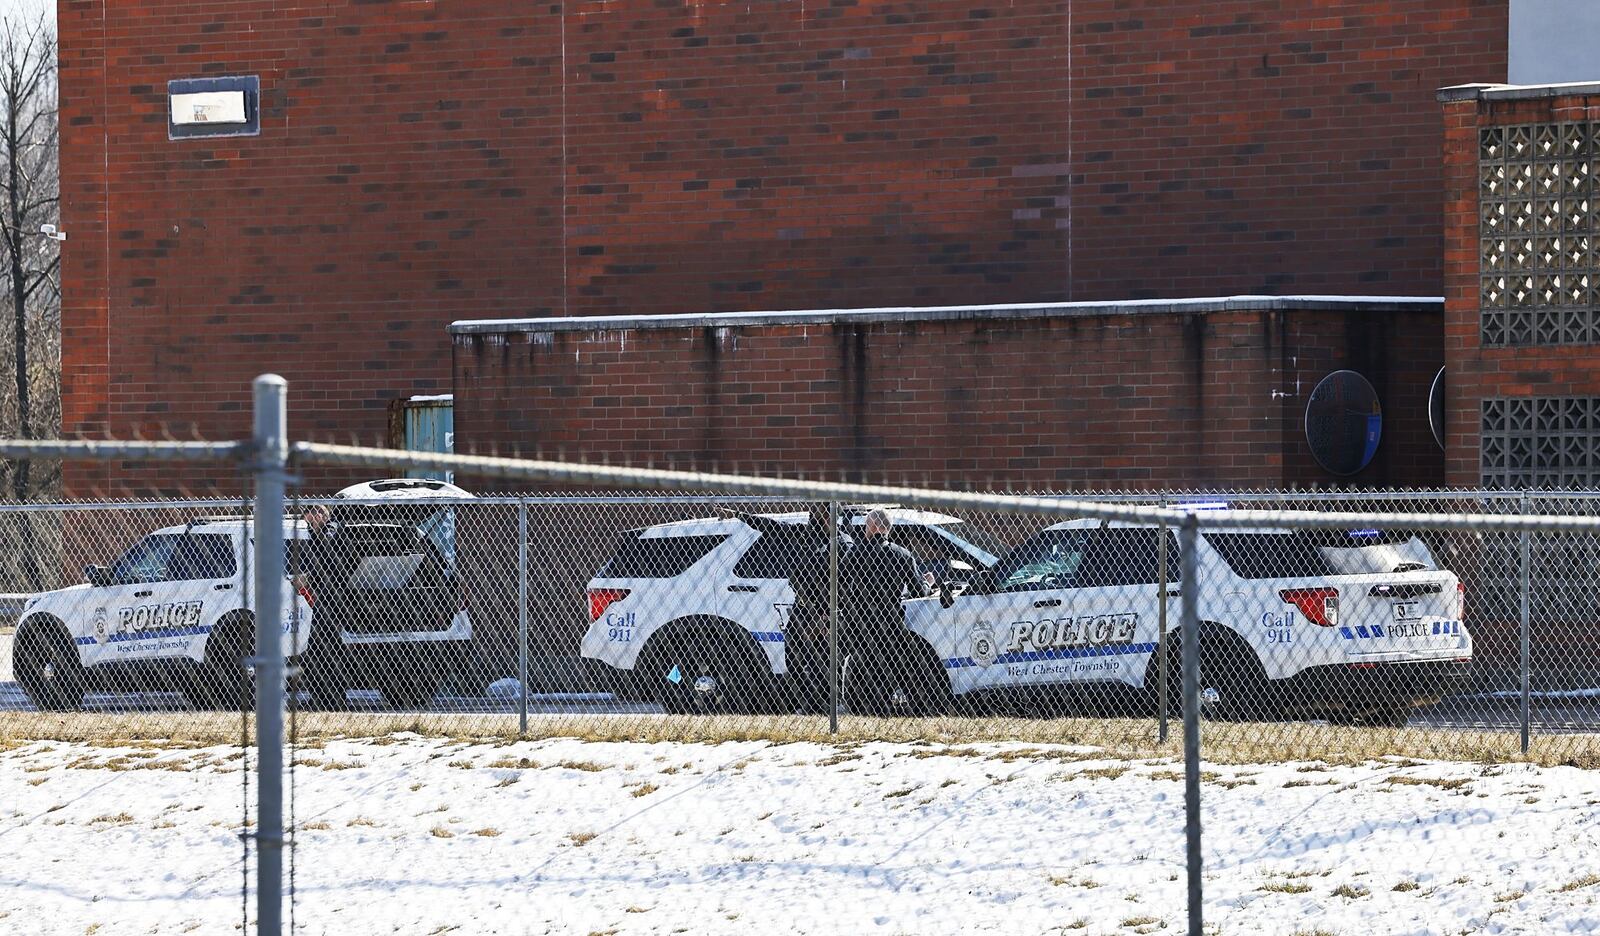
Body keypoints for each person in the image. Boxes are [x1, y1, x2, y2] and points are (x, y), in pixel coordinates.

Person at [837, 508, 935, 714]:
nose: (864, 530)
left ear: (873, 527)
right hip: (891, 620)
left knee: (865, 664)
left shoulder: (855, 553)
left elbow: (840, 582)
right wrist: (928, 583)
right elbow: (918, 589)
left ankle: (867, 706)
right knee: (895, 662)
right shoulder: (902, 555)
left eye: (866, 526)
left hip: (861, 621)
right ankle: (899, 704)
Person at [784, 503, 851, 714]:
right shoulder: (807, 538)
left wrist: (827, 614)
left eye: (819, 514)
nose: (814, 518)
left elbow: (844, 582)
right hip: (803, 608)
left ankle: (824, 705)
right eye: (813, 513)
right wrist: (741, 515)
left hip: (828, 610)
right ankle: (810, 702)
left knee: (824, 658)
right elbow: (772, 527)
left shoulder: (842, 543)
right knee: (793, 656)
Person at [297, 504, 351, 709]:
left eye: (319, 512)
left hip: (332, 600)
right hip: (312, 601)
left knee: (330, 647)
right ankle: (319, 695)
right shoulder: (304, 534)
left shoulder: (333, 530)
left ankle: (336, 697)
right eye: (310, 512)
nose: (314, 516)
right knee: (312, 648)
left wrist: (309, 577)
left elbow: (331, 564)